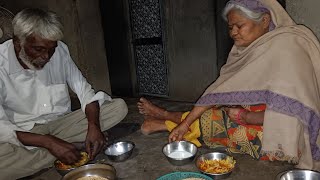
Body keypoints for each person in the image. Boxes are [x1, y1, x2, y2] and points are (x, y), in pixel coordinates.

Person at [138, 0, 320, 170]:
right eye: (231, 27)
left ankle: (165, 122)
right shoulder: (251, 48)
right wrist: (187, 123)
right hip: (261, 114)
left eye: (239, 26)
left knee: (221, 124)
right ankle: (171, 118)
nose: (233, 32)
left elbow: (293, 112)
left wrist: (248, 116)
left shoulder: (286, 48)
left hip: (288, 133)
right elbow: (218, 93)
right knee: (216, 108)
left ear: (265, 21)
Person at [0, 8, 128, 179]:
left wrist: (93, 126)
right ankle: (67, 148)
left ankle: (63, 149)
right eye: (38, 49)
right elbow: (3, 128)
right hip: (24, 133)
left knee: (117, 107)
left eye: (51, 49)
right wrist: (48, 142)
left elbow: (85, 92)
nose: (46, 56)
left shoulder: (59, 51)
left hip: (61, 124)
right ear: (17, 42)